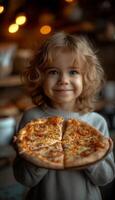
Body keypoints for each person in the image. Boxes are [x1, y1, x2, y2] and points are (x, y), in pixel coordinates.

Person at [13, 31, 115, 200]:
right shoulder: (32, 119)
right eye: (53, 71)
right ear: (39, 76)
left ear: (86, 77)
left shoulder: (96, 122)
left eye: (73, 72)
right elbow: (25, 180)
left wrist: (90, 154)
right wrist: (38, 155)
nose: (63, 80)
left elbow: (104, 178)